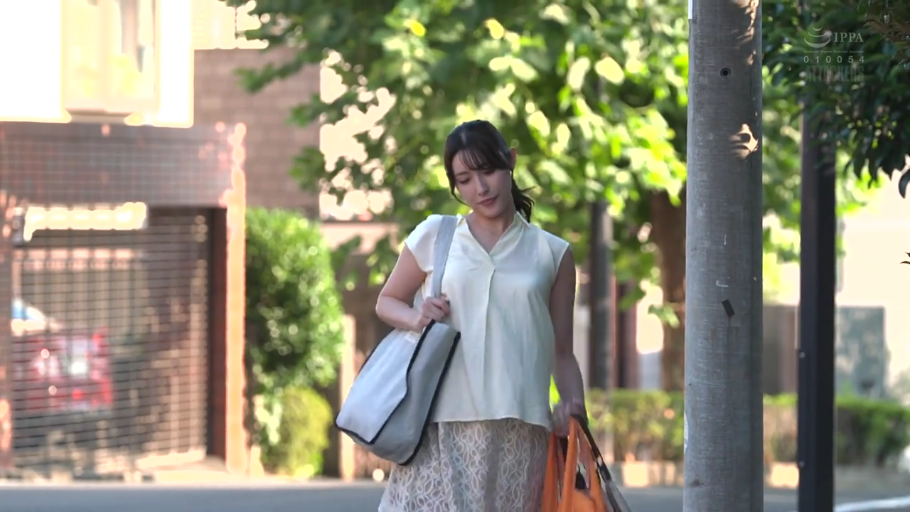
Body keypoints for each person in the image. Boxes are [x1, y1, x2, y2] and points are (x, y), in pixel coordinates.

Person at [374, 119, 587, 512]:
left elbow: (562, 352)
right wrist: (418, 316)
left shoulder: (553, 253)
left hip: (520, 430)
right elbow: (387, 301)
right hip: (438, 423)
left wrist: (575, 407)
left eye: (487, 171)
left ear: (511, 161)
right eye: (465, 179)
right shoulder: (436, 235)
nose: (480, 188)